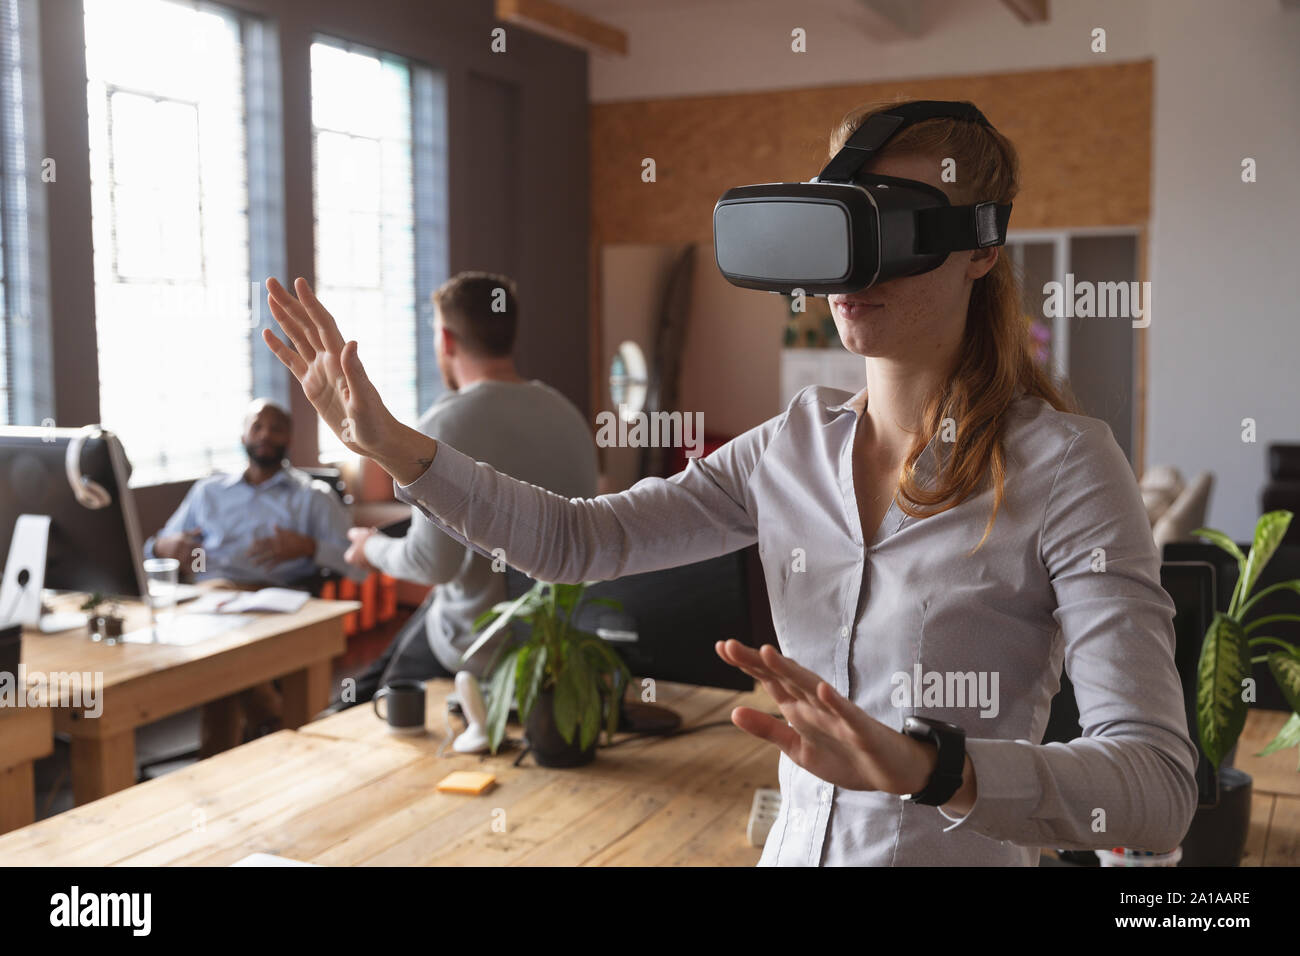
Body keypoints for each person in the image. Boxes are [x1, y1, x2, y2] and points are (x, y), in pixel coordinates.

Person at [260, 98, 1199, 866]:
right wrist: (396, 445)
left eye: (894, 228)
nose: (851, 268)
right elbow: (580, 542)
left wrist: (933, 766)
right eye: (839, 227)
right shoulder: (789, 449)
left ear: (981, 250)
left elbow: (1158, 793)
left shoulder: (1069, 469)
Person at [341, 272, 597, 696]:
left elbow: (431, 563)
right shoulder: (568, 415)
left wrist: (370, 548)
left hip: (482, 646)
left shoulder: (442, 425)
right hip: (560, 639)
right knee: (398, 647)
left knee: (374, 697)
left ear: (446, 339)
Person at [146, 399, 365, 588]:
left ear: (289, 439)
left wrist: (310, 547)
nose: (265, 435)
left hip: (272, 597)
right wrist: (160, 547)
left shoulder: (313, 496)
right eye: (257, 427)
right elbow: (153, 550)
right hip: (205, 592)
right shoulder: (207, 491)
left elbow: (358, 567)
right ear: (243, 437)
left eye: (276, 429)